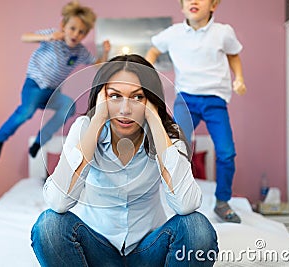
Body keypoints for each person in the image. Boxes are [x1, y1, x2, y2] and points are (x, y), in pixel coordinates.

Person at [31, 54, 218, 266]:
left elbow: (186, 205)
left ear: (151, 98)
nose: (125, 109)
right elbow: (58, 202)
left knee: (197, 227)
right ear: (101, 97)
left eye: (138, 97)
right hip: (97, 251)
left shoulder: (168, 135)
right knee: (49, 225)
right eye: (115, 96)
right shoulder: (84, 128)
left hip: (149, 251)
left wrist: (156, 121)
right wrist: (98, 119)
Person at [146, 0, 246, 223]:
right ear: (181, 7)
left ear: (213, 5)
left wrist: (239, 78)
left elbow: (233, 55)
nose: (193, 1)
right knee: (174, 147)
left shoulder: (223, 33)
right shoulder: (173, 33)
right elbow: (153, 49)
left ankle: (222, 202)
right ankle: (173, 195)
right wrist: (147, 70)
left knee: (227, 152)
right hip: (186, 100)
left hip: (215, 101)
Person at [0, 1, 110, 161]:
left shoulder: (80, 51)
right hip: (34, 87)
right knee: (26, 112)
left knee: (69, 107)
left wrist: (106, 52)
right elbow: (25, 37)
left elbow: (98, 65)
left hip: (52, 92)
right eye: (72, 29)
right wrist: (48, 36)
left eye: (81, 32)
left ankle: (39, 142)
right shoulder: (53, 36)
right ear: (63, 26)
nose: (75, 35)